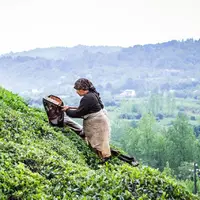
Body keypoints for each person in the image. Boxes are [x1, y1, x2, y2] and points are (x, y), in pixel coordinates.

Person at [62, 78, 111, 163]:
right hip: (100, 120)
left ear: (82, 89)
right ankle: (101, 160)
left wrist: (67, 110)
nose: (77, 92)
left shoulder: (87, 98)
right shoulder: (92, 94)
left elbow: (78, 113)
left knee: (99, 143)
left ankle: (104, 161)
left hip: (98, 123)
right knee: (100, 142)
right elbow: (90, 108)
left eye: (77, 90)